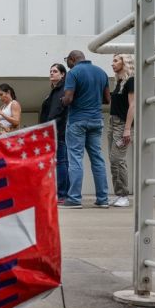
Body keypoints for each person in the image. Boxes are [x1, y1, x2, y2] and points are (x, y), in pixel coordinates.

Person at [60, 50, 111, 209]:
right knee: (98, 159)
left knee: (75, 159)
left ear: (72, 59)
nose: (67, 64)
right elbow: (107, 99)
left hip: (78, 121)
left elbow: (68, 99)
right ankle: (103, 199)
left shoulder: (73, 73)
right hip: (96, 121)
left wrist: (62, 101)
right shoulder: (101, 73)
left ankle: (74, 199)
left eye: (67, 60)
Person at [107, 54, 135, 208]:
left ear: (126, 63)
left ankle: (124, 195)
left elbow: (133, 106)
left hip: (122, 124)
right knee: (113, 160)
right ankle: (119, 194)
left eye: (116, 61)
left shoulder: (131, 81)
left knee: (119, 160)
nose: (113, 64)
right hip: (113, 122)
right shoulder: (119, 82)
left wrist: (127, 129)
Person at [40, 63, 69, 203]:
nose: (51, 73)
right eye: (50, 71)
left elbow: (58, 113)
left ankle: (62, 194)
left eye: (55, 71)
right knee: (59, 162)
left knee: (61, 162)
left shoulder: (63, 89)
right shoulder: (54, 90)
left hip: (59, 131)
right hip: (52, 131)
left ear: (63, 74)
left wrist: (49, 128)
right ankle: (60, 193)